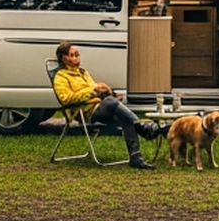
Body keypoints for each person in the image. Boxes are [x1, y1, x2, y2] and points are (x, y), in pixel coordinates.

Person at [53, 41, 161, 169]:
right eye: (72, 55)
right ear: (63, 58)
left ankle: (135, 158)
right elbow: (66, 99)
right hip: (84, 112)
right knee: (111, 102)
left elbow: (93, 89)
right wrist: (93, 91)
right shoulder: (61, 77)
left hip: (99, 107)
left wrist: (104, 89)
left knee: (123, 115)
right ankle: (142, 127)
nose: (76, 58)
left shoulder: (83, 72)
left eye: (77, 55)